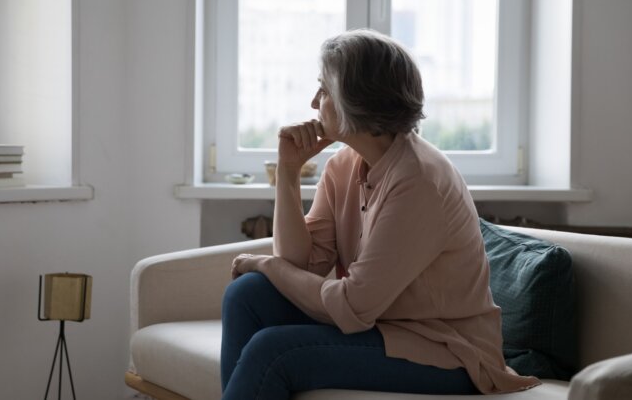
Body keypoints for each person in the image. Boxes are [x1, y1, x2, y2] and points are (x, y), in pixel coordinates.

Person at [220, 29, 540, 399]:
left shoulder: (419, 180)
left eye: (324, 89)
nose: (313, 102)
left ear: (356, 101)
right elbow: (298, 264)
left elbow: (351, 306)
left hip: (447, 350)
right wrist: (288, 173)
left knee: (272, 351)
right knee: (246, 294)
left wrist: (267, 265)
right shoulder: (344, 164)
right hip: (382, 328)